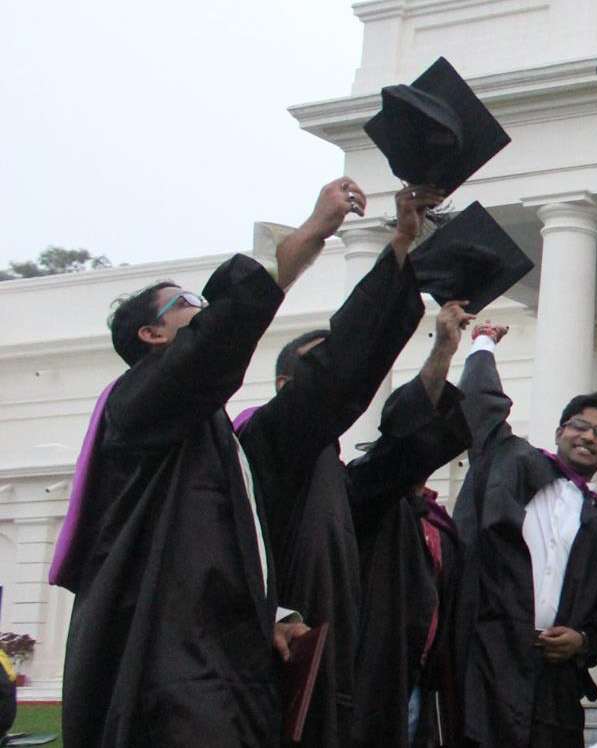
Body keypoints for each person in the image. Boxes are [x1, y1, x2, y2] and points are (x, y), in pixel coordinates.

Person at [52, 177, 367, 748]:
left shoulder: (211, 435)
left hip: (222, 664)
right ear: (151, 335)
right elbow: (214, 340)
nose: (202, 310)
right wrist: (309, 235)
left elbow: (217, 549)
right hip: (171, 672)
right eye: (187, 303)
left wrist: (272, 614)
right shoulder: (137, 403)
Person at [239, 184, 446, 748]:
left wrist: (444, 351)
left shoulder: (336, 477)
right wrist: (395, 247)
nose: (346, 373)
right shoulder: (259, 446)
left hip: (342, 673)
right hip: (274, 670)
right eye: (323, 366)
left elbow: (400, 457)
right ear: (285, 386)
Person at [449, 323, 597, 748]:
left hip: (553, 678)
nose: (588, 437)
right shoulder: (512, 461)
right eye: (579, 426)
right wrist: (483, 343)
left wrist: (583, 641)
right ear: (559, 433)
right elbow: (481, 408)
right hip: (489, 656)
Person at [347, 301, 477, 748]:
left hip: (425, 679)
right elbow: (400, 436)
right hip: (371, 676)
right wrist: (443, 351)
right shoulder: (368, 496)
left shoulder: (440, 523)